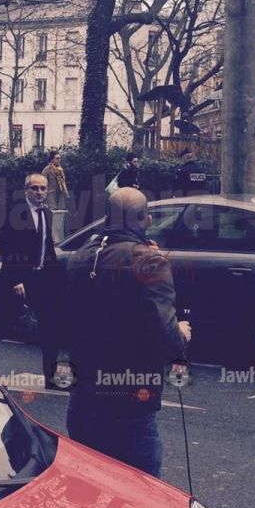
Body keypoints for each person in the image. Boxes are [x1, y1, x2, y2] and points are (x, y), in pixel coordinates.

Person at [63, 187, 191, 477]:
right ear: (147, 220)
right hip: (130, 400)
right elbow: (167, 337)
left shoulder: (80, 256)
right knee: (141, 491)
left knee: (91, 485)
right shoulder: (149, 261)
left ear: (107, 218)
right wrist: (182, 333)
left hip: (84, 397)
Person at [0, 173, 61, 386]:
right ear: (26, 190)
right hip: (19, 279)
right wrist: (15, 279)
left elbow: (47, 246)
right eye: (35, 188)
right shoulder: (14, 213)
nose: (39, 192)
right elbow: (7, 249)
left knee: (50, 325)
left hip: (41, 278)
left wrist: (54, 275)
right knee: (6, 323)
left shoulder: (46, 213)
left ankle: (51, 376)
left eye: (43, 188)